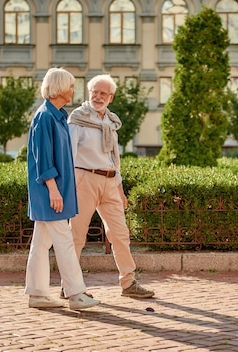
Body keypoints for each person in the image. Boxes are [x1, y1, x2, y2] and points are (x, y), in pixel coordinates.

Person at [68, 74, 155, 298]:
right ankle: (69, 287)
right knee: (77, 236)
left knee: (120, 234)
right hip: (84, 180)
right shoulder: (78, 118)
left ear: (111, 97)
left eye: (102, 93)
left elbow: (114, 159)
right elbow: (69, 154)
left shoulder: (111, 122)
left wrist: (119, 189)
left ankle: (129, 283)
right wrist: (68, 186)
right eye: (94, 92)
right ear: (88, 93)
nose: (97, 97)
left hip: (109, 182)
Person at [24, 67, 100, 310]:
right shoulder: (45, 117)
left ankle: (37, 294)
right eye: (70, 86)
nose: (72, 90)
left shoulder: (55, 115)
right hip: (50, 192)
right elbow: (43, 159)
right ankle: (76, 294)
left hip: (54, 191)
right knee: (64, 241)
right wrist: (54, 191)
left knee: (41, 243)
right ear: (58, 88)